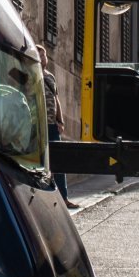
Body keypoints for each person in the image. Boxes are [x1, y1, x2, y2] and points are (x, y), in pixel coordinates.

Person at [37, 44, 78, 209]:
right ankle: (41, 202)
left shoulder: (50, 77)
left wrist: (60, 121)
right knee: (40, 164)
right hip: (38, 126)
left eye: (44, 55)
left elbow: (56, 99)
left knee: (59, 162)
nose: (42, 58)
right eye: (39, 55)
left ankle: (64, 198)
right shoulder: (30, 75)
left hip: (52, 125)